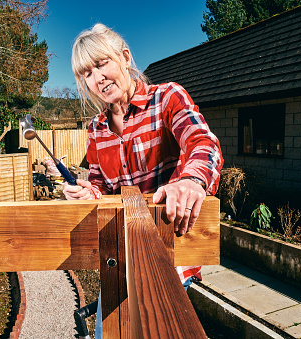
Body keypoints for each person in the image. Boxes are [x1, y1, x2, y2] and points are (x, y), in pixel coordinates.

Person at [64, 23, 223, 337]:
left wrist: (191, 181)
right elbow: (99, 185)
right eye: (86, 73)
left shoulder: (166, 99)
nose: (96, 78)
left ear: (124, 57)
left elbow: (203, 144)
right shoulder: (96, 129)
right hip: (119, 258)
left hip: (170, 256)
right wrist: (88, 192)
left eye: (101, 64)